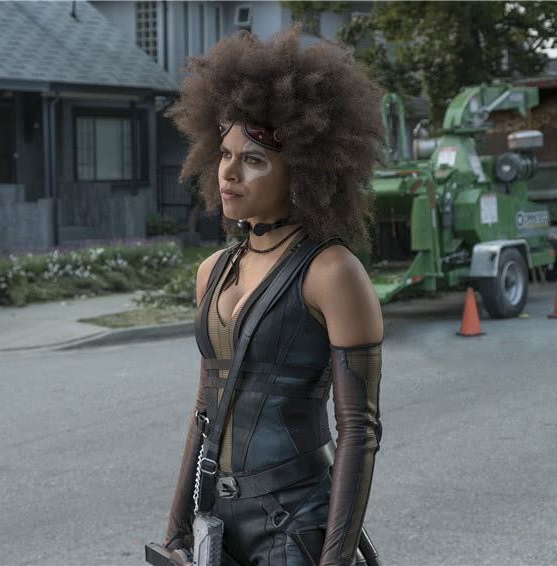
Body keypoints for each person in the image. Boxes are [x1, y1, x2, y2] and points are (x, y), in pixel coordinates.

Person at [161, 26, 385, 566]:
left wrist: (335, 558)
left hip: (297, 519)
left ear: (303, 170)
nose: (229, 172)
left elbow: (359, 432)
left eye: (254, 159)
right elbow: (204, 409)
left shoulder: (332, 272)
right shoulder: (213, 271)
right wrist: (176, 531)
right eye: (225, 154)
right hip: (219, 518)